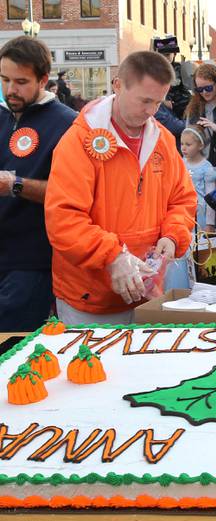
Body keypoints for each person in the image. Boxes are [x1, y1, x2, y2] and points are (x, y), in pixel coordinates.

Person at [45, 51, 196, 325]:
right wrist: (112, 256)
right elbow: (63, 219)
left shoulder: (161, 138)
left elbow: (182, 199)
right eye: (144, 100)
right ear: (117, 85)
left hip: (147, 294)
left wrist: (173, 236)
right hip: (90, 300)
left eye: (158, 102)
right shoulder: (78, 141)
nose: (151, 111)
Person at [0, 36, 76, 332]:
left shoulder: (67, 124)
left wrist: (15, 185)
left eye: (20, 82)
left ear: (43, 79)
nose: (10, 90)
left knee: (11, 343)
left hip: (32, 260)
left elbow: (71, 193)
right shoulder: (2, 116)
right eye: (4, 79)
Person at [185, 63, 216, 167]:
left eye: (208, 88)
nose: (204, 92)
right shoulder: (194, 107)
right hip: (201, 165)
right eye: (199, 89)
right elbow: (187, 138)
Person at [181, 125, 216, 234]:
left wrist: (210, 223)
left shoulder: (207, 169)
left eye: (188, 144)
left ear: (200, 145)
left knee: (197, 245)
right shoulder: (180, 163)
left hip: (200, 213)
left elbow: (211, 198)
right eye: (182, 144)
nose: (183, 148)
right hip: (182, 210)